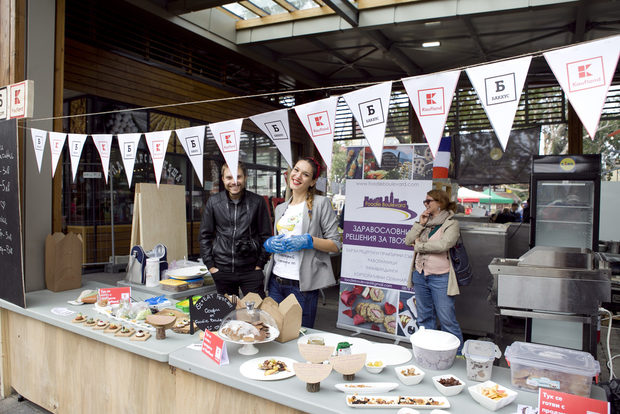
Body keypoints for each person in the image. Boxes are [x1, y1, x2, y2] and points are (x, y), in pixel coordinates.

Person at [263, 157, 341, 328]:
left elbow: (336, 244)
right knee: (273, 331)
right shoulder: (280, 208)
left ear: (312, 182)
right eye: (296, 170)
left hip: (301, 286)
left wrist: (309, 241)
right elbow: (276, 241)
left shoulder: (321, 204)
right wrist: (269, 244)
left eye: (305, 174)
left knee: (300, 334)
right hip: (276, 281)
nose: (297, 176)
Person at [199, 162, 272, 297]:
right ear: (222, 179)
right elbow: (205, 236)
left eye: (238, 177)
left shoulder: (257, 202)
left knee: (256, 314)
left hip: (251, 270)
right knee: (227, 314)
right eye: (229, 178)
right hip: (222, 269)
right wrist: (211, 266)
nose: (234, 182)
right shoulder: (214, 202)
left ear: (245, 177)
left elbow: (266, 235)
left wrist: (260, 264)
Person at [405, 189, 464, 351]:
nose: (425, 204)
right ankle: (428, 350)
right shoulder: (425, 222)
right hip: (420, 275)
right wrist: (420, 224)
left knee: (447, 319)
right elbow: (407, 240)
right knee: (424, 318)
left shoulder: (451, 223)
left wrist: (420, 246)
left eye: (429, 201)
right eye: (425, 202)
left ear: (440, 203)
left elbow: (444, 244)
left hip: (441, 277)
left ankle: (457, 354)